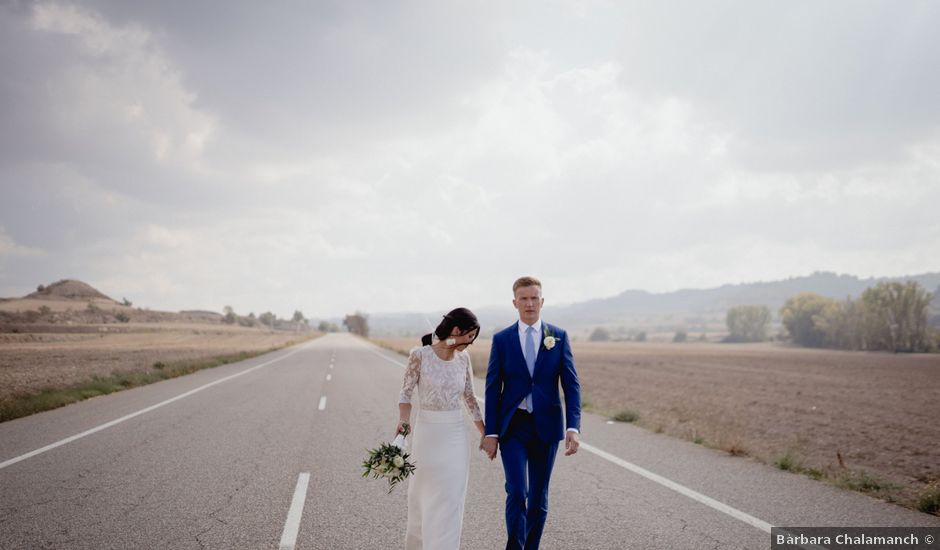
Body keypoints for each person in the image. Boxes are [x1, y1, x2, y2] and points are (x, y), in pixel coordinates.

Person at [482, 276, 581, 550]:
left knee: (538, 497)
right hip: (513, 426)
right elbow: (492, 388)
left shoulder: (558, 337)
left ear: (542, 301)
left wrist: (573, 426)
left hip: (546, 427)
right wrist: (491, 432)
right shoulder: (502, 340)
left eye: (534, 298)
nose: (529, 304)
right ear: (515, 303)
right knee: (517, 491)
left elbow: (571, 385)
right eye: (523, 299)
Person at [397, 307, 486, 550]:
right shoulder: (420, 355)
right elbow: (405, 394)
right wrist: (404, 422)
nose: (470, 342)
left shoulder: (463, 359)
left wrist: (485, 433)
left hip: (455, 436)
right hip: (427, 435)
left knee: (450, 500)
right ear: (457, 330)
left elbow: (469, 398)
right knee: (424, 497)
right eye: (469, 336)